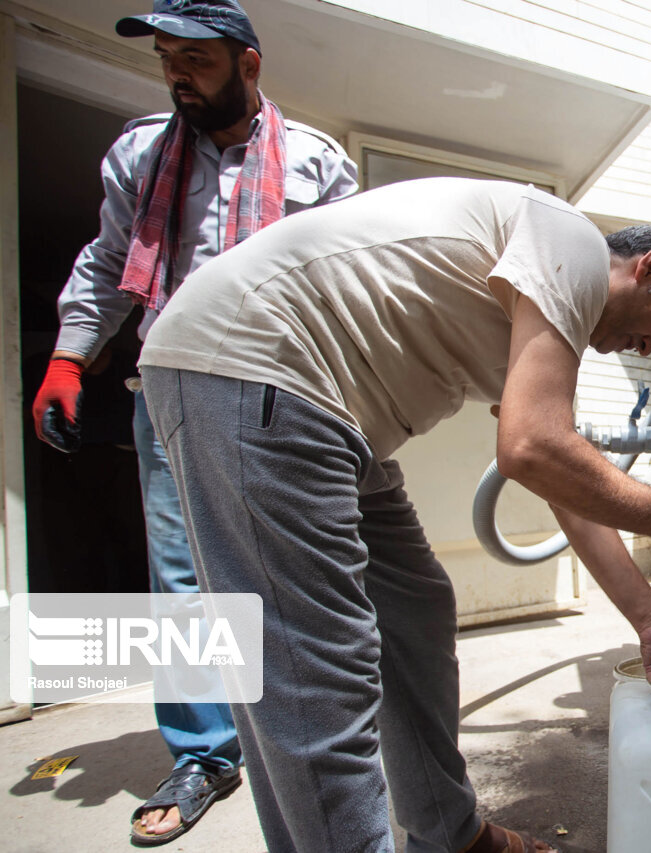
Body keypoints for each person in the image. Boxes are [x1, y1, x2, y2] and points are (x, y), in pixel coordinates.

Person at [137, 177, 651, 853]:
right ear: (648, 268)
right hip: (254, 362)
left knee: (414, 607)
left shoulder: (544, 312)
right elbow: (532, 448)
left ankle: (448, 834)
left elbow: (562, 479)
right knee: (315, 670)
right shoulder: (572, 245)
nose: (649, 348)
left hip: (329, 407)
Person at [28, 0, 359, 845]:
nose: (178, 72)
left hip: (280, 392)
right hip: (167, 390)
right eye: (168, 56)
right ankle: (205, 751)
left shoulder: (317, 162)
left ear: (248, 64)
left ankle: (308, 732)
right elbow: (109, 258)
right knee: (182, 577)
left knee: (285, 570)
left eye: (198, 59)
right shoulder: (141, 152)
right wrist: (71, 355)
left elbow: (347, 281)